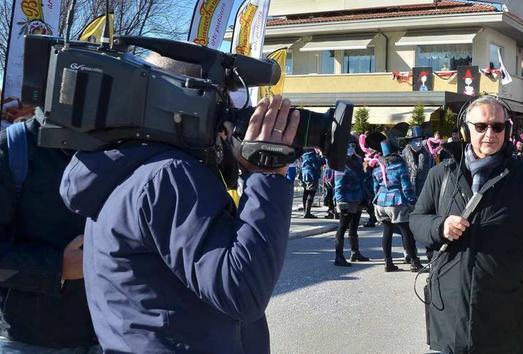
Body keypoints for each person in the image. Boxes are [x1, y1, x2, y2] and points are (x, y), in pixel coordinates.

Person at [59, 49, 299, 353]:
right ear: (186, 102)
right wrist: (266, 176)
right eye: (222, 103)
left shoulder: (126, 167)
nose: (228, 124)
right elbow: (242, 290)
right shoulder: (170, 177)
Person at [411, 96, 523, 353]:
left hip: (501, 309)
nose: (490, 134)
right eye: (481, 126)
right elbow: (417, 220)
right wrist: (440, 227)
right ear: (466, 129)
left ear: (508, 129)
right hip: (448, 308)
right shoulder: (441, 174)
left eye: (498, 126)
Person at [0, 117, 98, 351]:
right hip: (28, 340)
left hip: (107, 337)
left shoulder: (122, 147)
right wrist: (58, 268)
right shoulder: (14, 148)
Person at [373, 139, 423, 272]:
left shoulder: (378, 167)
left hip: (380, 202)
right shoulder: (400, 165)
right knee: (406, 232)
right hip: (396, 202)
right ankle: (414, 262)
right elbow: (406, 187)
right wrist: (412, 200)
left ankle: (388, 263)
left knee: (387, 231)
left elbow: (375, 187)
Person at [332, 142, 371, 266]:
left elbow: (362, 179)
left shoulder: (358, 160)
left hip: (357, 197)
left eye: (353, 146)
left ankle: (355, 253)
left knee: (354, 227)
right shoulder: (339, 162)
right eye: (348, 146)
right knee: (342, 228)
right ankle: (339, 256)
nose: (351, 148)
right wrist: (340, 201)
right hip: (346, 198)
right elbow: (338, 184)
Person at [402, 126, 435, 198]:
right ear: (410, 142)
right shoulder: (403, 155)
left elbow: (432, 173)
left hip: (424, 193)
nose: (419, 143)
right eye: (416, 141)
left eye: (420, 140)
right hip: (409, 194)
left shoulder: (428, 154)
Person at [299, 148, 326, 218]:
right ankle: (307, 212)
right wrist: (323, 158)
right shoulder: (313, 155)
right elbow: (318, 163)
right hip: (311, 174)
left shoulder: (305, 153)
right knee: (311, 193)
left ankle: (305, 211)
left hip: (304, 173)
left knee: (306, 192)